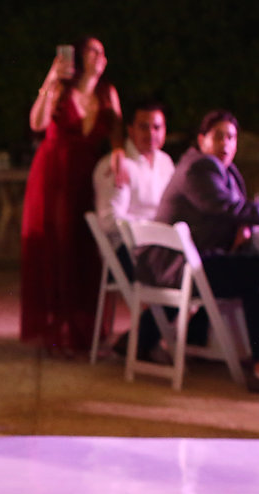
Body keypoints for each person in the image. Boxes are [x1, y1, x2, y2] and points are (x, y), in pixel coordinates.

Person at [139, 109, 259, 378]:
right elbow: (227, 207)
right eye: (219, 137)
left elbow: (233, 211)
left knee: (239, 266)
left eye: (231, 137)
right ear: (202, 139)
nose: (226, 144)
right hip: (176, 267)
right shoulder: (199, 168)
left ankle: (141, 342)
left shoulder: (223, 170)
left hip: (183, 262)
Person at [20, 36, 122, 356]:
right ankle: (56, 331)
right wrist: (50, 79)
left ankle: (83, 329)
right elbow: (36, 123)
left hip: (86, 174)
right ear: (79, 56)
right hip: (54, 173)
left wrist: (119, 152)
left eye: (103, 51)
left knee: (84, 249)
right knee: (57, 248)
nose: (100, 56)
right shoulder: (62, 90)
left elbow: (117, 131)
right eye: (93, 50)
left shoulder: (108, 93)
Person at [92, 102, 175, 358]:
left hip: (160, 248)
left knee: (202, 271)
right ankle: (139, 343)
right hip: (126, 250)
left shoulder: (165, 162)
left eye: (157, 127)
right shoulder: (118, 165)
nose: (151, 134)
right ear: (130, 129)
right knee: (185, 283)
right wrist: (151, 234)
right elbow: (109, 220)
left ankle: (187, 341)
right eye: (143, 127)